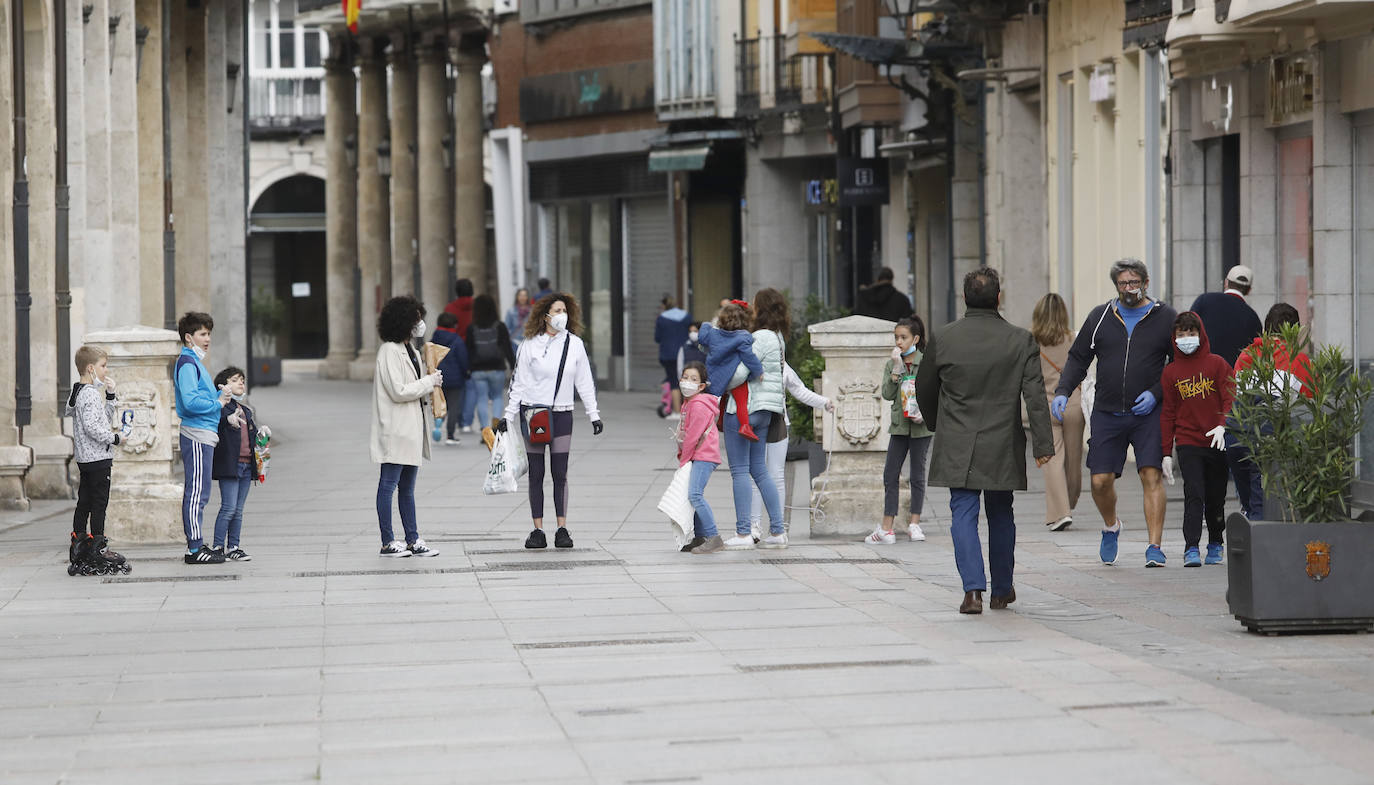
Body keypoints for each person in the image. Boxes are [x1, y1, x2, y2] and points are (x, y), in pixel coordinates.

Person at [915, 268, 1054, 614]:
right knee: (1000, 512)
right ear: (998, 298)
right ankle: (1002, 590)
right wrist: (1042, 445)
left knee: (962, 512)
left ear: (964, 298)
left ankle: (972, 591)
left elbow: (924, 387)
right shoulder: (1020, 340)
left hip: (957, 439)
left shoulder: (944, 338)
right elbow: (1035, 397)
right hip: (1002, 439)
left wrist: (936, 422)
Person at [1052, 259, 1177, 568]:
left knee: (1151, 475)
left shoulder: (1164, 317)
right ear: (1116, 286)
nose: (1129, 288)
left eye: (1134, 282)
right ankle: (1111, 526)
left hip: (1148, 413)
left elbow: (1177, 365)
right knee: (1099, 481)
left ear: (1146, 282)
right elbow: (1078, 358)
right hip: (1107, 413)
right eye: (1123, 283)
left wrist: (1157, 393)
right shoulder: (1100, 317)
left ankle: (1154, 546)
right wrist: (1063, 391)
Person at [499, 293, 603, 550]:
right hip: (534, 414)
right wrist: (508, 416)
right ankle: (537, 530)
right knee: (536, 473)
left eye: (565, 311)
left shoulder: (575, 344)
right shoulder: (529, 344)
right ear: (545, 315)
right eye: (557, 311)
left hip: (562, 413)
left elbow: (584, 382)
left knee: (560, 472)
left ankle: (562, 528)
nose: (562, 315)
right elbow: (518, 382)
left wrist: (594, 414)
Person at [713, 290, 788, 550]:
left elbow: (739, 374)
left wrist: (718, 380)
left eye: (755, 305)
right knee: (759, 470)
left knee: (740, 471)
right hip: (766, 411)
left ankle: (744, 533)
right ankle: (777, 531)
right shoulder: (778, 338)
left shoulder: (759, 337)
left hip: (745, 409)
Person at [1159, 313, 1234, 568]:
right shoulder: (1170, 373)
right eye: (1181, 335)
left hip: (1216, 442)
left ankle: (1215, 542)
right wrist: (1166, 452)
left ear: (1201, 335)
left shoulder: (1217, 364)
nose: (1186, 339)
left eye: (1191, 333)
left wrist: (1224, 426)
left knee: (1216, 497)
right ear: (1174, 338)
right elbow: (1168, 413)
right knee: (1194, 494)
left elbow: (1229, 397)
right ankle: (1191, 547)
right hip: (1188, 442)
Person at [371, 295, 442, 558]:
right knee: (388, 485)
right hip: (395, 429)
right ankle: (388, 540)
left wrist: (431, 382)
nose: (420, 324)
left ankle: (412, 538)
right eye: (416, 319)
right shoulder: (389, 350)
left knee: (408, 488)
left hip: (412, 428)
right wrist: (429, 382)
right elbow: (398, 390)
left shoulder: (410, 349)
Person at [1229, 302, 1314, 519]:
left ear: (1266, 329)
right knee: (1264, 505)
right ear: (1294, 331)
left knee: (1250, 501)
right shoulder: (1300, 361)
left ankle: (1250, 520)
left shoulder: (1246, 355)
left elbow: (1234, 396)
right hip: (1272, 441)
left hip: (1238, 438)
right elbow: (1311, 409)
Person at [865, 316, 933, 545]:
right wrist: (896, 369)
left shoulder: (926, 362)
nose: (899, 342)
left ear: (916, 338)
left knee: (917, 475)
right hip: (899, 426)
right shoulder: (892, 363)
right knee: (890, 474)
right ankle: (888, 527)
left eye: (903, 337)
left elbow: (936, 392)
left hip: (921, 427)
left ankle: (914, 523)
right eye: (896, 338)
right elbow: (886, 394)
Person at [747, 360, 831, 542]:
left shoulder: (781, 364)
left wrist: (823, 402)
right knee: (755, 475)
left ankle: (778, 527)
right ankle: (754, 526)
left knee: (776, 474)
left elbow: (799, 389)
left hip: (778, 422)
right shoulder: (748, 360)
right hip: (753, 421)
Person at [174, 311, 231, 565]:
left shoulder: (194, 363)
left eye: (209, 333)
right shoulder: (187, 363)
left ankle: (197, 543)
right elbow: (189, 401)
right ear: (189, 338)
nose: (207, 339)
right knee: (197, 492)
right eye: (202, 334)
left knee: (201, 491)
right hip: (196, 433)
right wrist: (217, 402)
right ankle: (194, 548)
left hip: (203, 433)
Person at [66, 345, 124, 570]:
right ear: (91, 368)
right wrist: (115, 438)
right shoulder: (89, 394)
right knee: (99, 503)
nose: (105, 370)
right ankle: (99, 546)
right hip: (98, 458)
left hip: (85, 458)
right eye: (103, 366)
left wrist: (110, 396)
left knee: (85, 502)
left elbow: (101, 420)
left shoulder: (79, 391)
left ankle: (79, 543)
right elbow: (93, 427)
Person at [1031, 293, 1084, 531]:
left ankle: (1061, 511)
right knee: (1074, 460)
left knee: (1052, 459)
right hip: (1073, 403)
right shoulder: (1074, 338)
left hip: (1046, 405)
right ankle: (1069, 504)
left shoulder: (1031, 341)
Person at [211, 366, 265, 561]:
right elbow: (213, 425)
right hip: (229, 465)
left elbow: (252, 436)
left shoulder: (246, 410)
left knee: (238, 509)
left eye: (242, 379)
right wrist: (226, 420)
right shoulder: (220, 406)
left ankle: (234, 546)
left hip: (246, 465)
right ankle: (218, 546)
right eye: (234, 380)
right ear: (223, 385)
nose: (240, 382)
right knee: (228, 507)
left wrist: (261, 435)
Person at [675, 361, 725, 554]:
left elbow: (692, 437)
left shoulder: (698, 405)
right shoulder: (688, 403)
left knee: (695, 495)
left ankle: (714, 537)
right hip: (698, 455)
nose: (688, 382)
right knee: (693, 495)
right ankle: (700, 537)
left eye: (694, 379)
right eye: (685, 377)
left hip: (704, 455)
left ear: (702, 386)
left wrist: (683, 460)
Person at [697, 302, 763, 442]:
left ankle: (720, 420)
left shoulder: (713, 334)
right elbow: (749, 357)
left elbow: (702, 338)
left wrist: (705, 324)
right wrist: (758, 371)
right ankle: (745, 425)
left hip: (714, 375)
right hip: (733, 376)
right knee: (741, 399)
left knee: (720, 397)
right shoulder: (742, 338)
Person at [1190, 265, 1262, 367]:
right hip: (1232, 378)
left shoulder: (1204, 300)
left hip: (1200, 374)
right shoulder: (1252, 317)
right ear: (1249, 290)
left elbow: (1186, 328)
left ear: (1226, 282)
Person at [465, 293, 517, 432]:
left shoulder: (472, 328)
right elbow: (507, 347)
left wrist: (468, 368)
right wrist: (513, 366)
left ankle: (484, 429)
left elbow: (469, 349)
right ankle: (495, 422)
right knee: (497, 397)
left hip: (478, 370)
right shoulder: (499, 326)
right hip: (497, 368)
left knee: (481, 399)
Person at [430, 312, 470, 445]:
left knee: (441, 402)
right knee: (453, 406)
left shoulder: (434, 339)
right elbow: (463, 359)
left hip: (437, 376)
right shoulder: (457, 340)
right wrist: (466, 373)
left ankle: (438, 423)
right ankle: (450, 435)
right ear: (454, 325)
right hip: (455, 377)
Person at [655, 296, 693, 416]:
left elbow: (657, 338)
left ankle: (677, 411)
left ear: (664, 306)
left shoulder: (661, 319)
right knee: (687, 380)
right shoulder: (686, 316)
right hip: (685, 352)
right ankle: (689, 411)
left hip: (668, 354)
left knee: (673, 382)